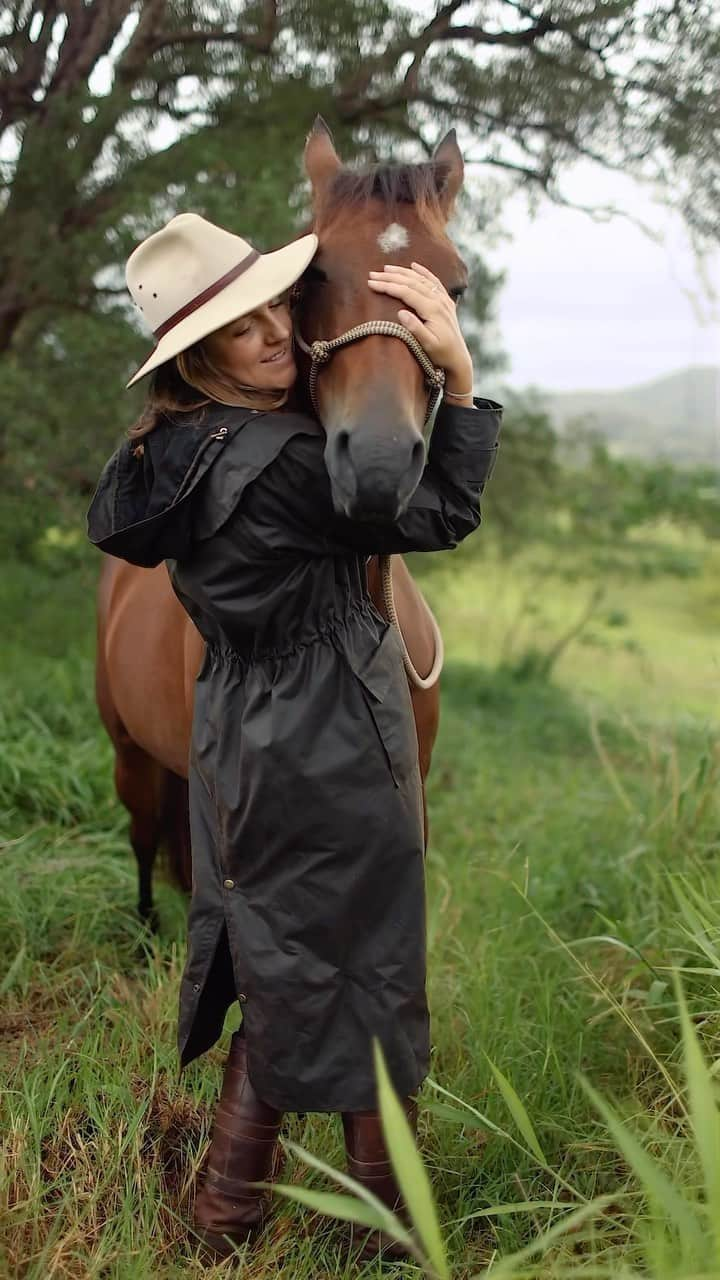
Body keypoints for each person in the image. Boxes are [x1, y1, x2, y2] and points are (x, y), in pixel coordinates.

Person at [87, 210, 502, 1261]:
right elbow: (438, 506)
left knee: (287, 964)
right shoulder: (279, 464)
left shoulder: (177, 450)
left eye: (276, 304)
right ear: (199, 354)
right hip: (326, 738)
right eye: (241, 326)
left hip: (242, 732)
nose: (275, 331)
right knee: (367, 965)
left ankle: (235, 1213)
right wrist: (453, 369)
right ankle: (378, 1225)